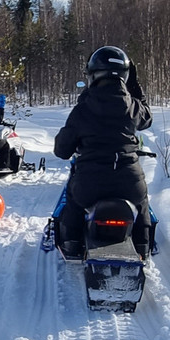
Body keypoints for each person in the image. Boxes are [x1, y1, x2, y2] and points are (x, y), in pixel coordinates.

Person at [53, 46, 152, 258]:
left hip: (91, 184)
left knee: (73, 198)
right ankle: (143, 246)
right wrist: (134, 85)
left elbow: (62, 150)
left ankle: (71, 244)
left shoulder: (83, 109)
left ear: (93, 75)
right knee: (142, 202)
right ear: (125, 77)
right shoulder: (132, 106)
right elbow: (147, 118)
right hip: (129, 183)